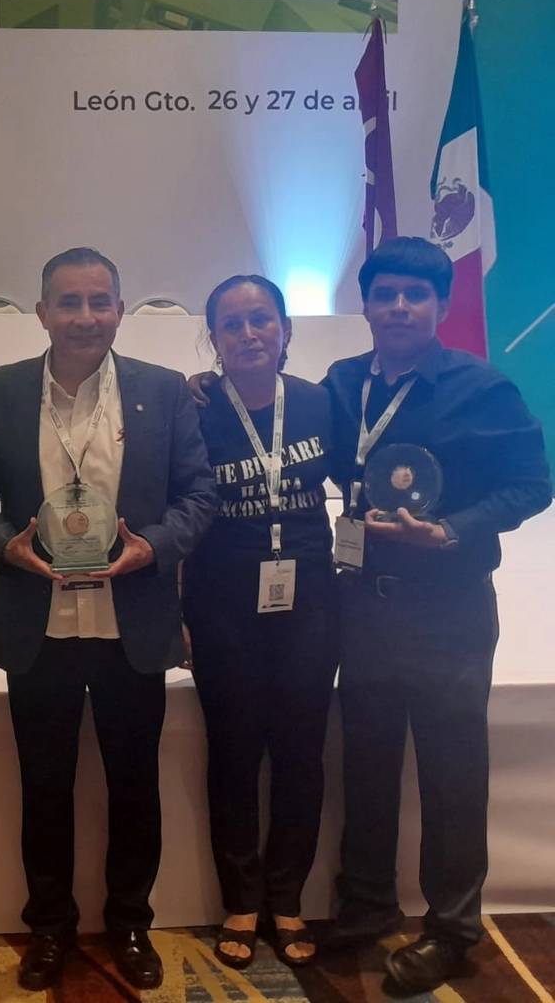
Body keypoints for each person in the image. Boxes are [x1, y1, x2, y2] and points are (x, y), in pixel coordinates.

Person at [0, 247, 218, 992]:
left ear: (121, 310)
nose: (85, 317)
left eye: (100, 301)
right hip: (38, 628)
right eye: (69, 302)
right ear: (42, 313)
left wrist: (152, 548)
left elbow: (199, 496)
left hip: (131, 625)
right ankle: (50, 927)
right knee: (45, 787)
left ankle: (130, 923)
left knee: (134, 786)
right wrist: (4, 546)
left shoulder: (163, 391)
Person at [322, 237, 551, 992]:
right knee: (367, 763)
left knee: (452, 774)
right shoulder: (342, 382)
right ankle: (366, 906)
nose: (398, 307)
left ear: (440, 306)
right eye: (385, 294)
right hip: (363, 606)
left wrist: (451, 530)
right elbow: (297, 439)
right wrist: (207, 387)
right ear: (366, 304)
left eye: (415, 295)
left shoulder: (482, 388)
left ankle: (452, 930)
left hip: (449, 610)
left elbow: (533, 485)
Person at [182, 275, 337, 970]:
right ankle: (241, 899)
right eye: (232, 323)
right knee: (235, 753)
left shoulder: (319, 402)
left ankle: (287, 897)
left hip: (311, 606)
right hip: (221, 608)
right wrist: (177, 614)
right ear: (213, 339)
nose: (248, 334)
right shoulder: (194, 409)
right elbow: (177, 510)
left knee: (301, 753)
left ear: (285, 329)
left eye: (261, 319)